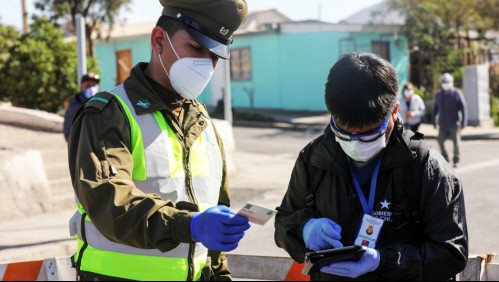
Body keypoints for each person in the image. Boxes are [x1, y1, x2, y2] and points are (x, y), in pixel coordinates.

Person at [67, 0, 250, 280]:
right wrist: (187, 226)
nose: (206, 64)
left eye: (214, 55)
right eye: (196, 48)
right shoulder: (109, 114)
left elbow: (215, 216)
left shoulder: (204, 125)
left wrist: (219, 272)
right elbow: (109, 201)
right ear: (158, 40)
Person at [274, 53, 468, 281]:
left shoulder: (427, 167)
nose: (355, 141)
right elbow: (283, 222)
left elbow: (452, 252)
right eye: (343, 132)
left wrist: (383, 260)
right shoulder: (314, 158)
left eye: (368, 134)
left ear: (394, 112)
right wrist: (304, 229)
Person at [433, 73, 468, 168]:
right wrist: (434, 122)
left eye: (447, 82)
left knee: (456, 142)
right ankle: (445, 157)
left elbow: (463, 108)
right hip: (443, 124)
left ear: (452, 82)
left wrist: (464, 122)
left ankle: (456, 159)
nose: (445, 84)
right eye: (444, 82)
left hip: (454, 123)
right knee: (440, 140)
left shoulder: (457, 93)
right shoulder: (439, 94)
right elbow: (435, 109)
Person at [63, 73, 100, 141]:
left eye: (94, 85)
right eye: (88, 85)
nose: (91, 88)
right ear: (81, 86)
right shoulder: (74, 103)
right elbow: (69, 130)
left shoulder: (103, 101)